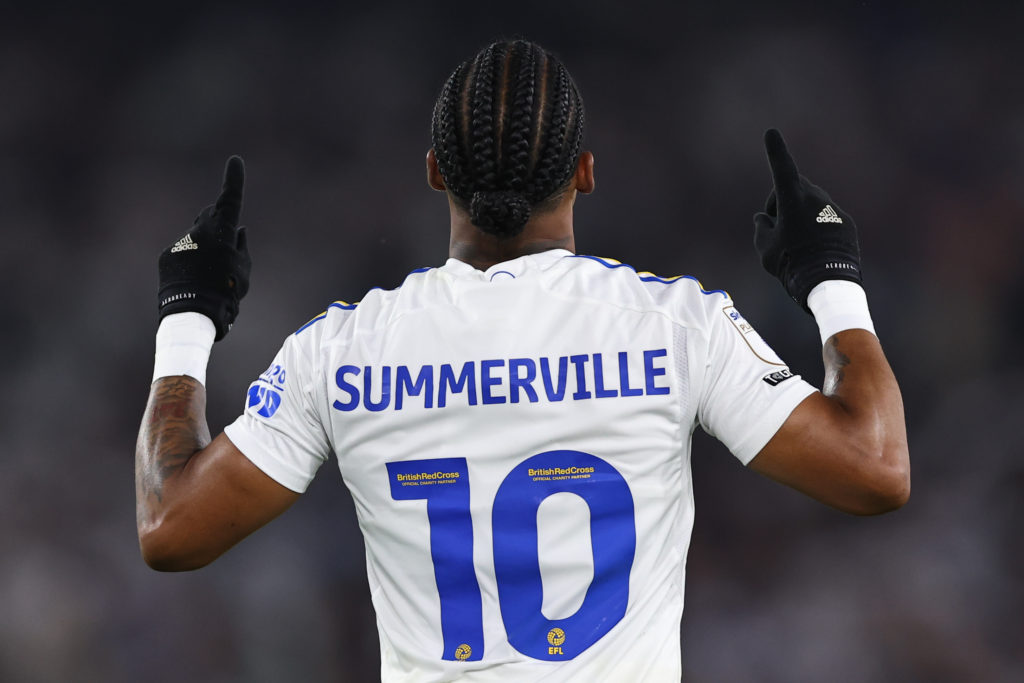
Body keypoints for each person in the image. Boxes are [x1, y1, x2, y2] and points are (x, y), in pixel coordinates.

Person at [135, 39, 909, 682]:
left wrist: (188, 315)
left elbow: (170, 527)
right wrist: (827, 275)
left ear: (435, 169)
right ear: (585, 172)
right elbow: (875, 468)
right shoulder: (676, 327)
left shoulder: (340, 351)